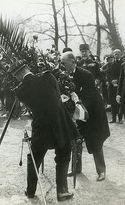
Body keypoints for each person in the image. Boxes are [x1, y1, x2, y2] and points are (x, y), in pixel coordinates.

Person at [9, 60, 78, 201]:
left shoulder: (20, 91)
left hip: (41, 127)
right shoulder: (48, 76)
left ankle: (30, 191)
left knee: (34, 157)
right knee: (64, 154)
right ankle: (62, 191)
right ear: (28, 67)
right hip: (60, 122)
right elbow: (58, 97)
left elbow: (29, 108)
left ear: (18, 75)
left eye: (16, 76)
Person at [61, 51, 110, 182]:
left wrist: (76, 108)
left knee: (95, 141)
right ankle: (76, 168)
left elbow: (89, 96)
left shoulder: (86, 74)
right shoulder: (64, 75)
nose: (62, 65)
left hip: (92, 112)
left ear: (72, 61)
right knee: (75, 139)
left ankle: (101, 171)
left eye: (64, 63)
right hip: (78, 111)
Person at [107, 49, 123, 123]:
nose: (116, 55)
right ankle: (113, 118)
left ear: (121, 54)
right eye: (115, 54)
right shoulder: (110, 64)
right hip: (112, 85)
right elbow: (108, 74)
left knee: (119, 101)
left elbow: (123, 75)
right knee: (113, 102)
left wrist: (117, 80)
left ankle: (120, 118)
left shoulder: (123, 64)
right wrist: (111, 81)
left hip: (120, 85)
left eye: (118, 54)